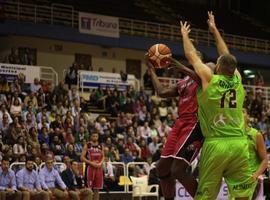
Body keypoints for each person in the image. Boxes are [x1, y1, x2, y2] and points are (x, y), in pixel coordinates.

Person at [180, 12, 253, 199]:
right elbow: (226, 54)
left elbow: (191, 56)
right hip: (239, 144)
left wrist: (184, 35)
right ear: (233, 69)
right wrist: (214, 31)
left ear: (219, 67)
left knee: (205, 195)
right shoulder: (238, 80)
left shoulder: (209, 79)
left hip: (216, 144)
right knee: (242, 195)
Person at [145, 48, 205, 198]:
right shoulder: (184, 80)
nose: (191, 56)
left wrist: (182, 67)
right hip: (180, 122)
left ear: (200, 59)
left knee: (177, 170)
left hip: (194, 123)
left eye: (195, 54)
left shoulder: (206, 71)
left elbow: (203, 80)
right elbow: (162, 92)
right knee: (162, 169)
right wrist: (151, 70)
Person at [243, 108, 268, 198]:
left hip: (250, 179)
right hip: (235, 178)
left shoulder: (256, 135)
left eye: (243, 112)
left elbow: (265, 161)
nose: (240, 114)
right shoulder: (231, 135)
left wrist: (255, 175)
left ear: (248, 116)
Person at [81, 132, 104, 200]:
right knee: (89, 189)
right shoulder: (87, 145)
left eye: (96, 136)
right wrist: (91, 163)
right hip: (90, 168)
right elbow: (82, 157)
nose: (95, 137)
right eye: (93, 136)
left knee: (97, 189)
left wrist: (100, 163)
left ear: (98, 137)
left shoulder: (100, 145)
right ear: (91, 137)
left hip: (98, 169)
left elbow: (103, 156)